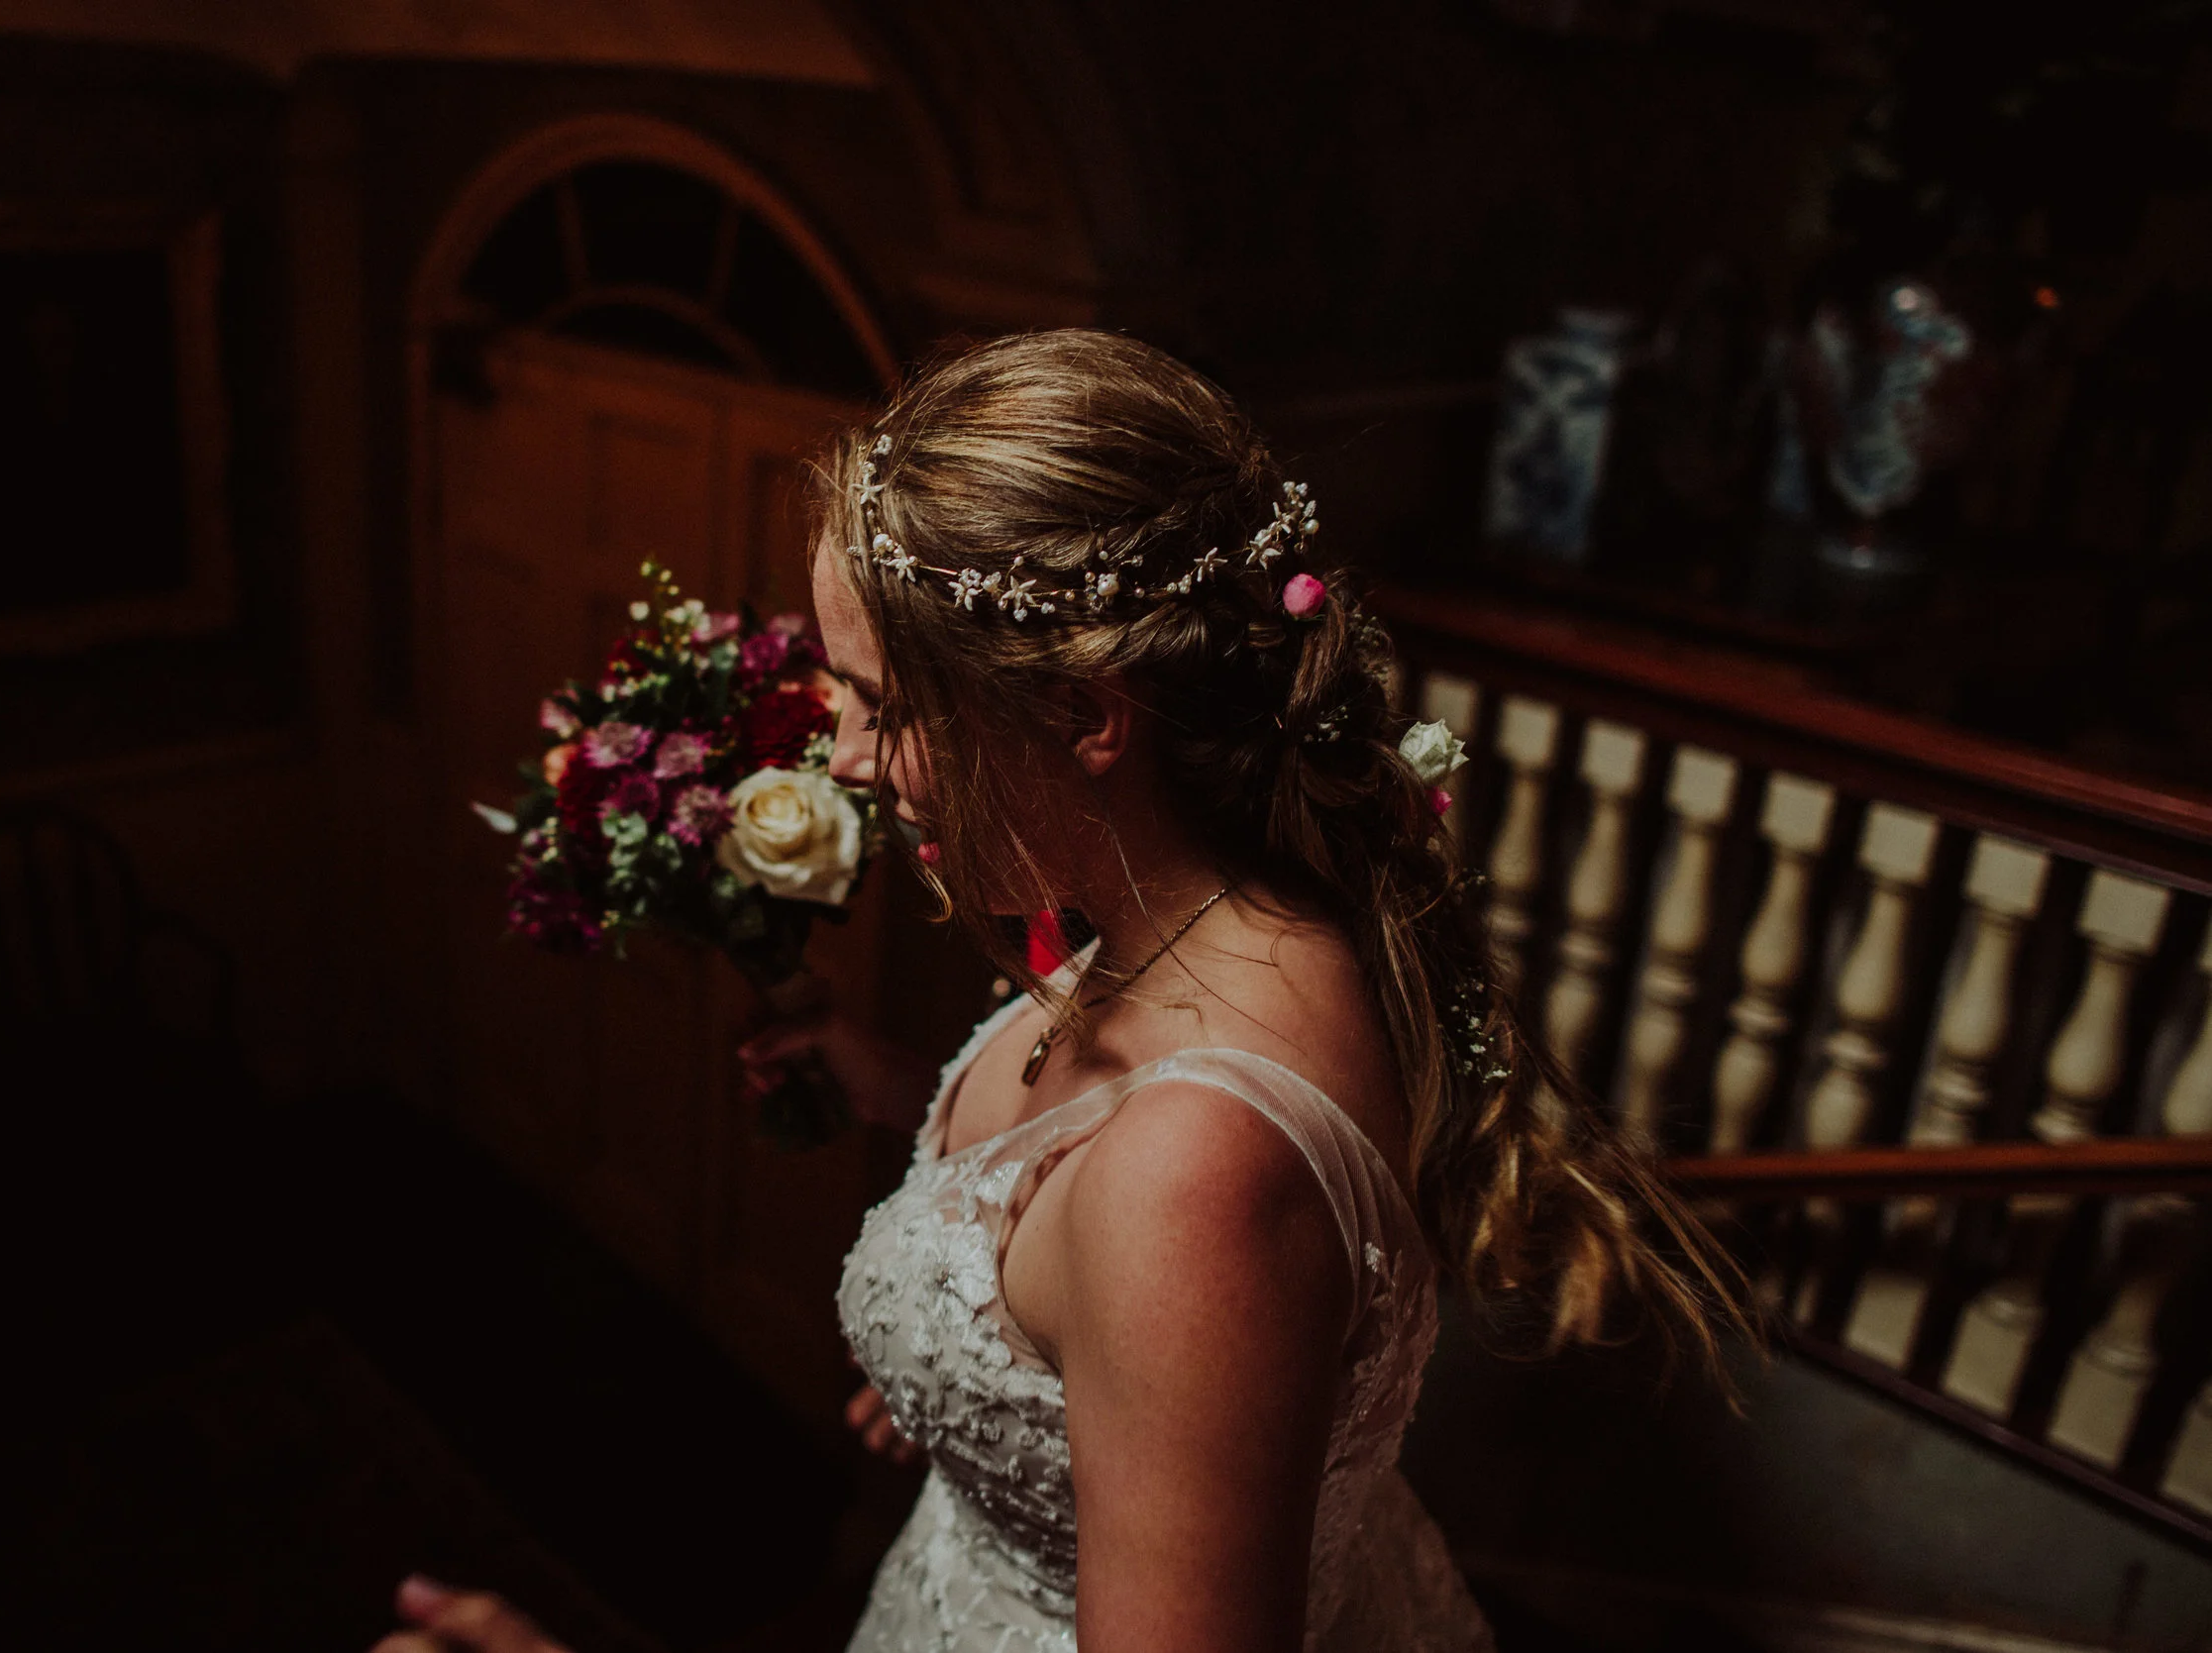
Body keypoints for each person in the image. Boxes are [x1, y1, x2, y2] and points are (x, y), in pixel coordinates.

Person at [372, 329, 1747, 1653]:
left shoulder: (1196, 1178)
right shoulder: (1241, 917)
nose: (843, 757)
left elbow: (1173, 1221)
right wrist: (951, 1266)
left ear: (1092, 714)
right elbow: (1109, 1267)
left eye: (880, 703)